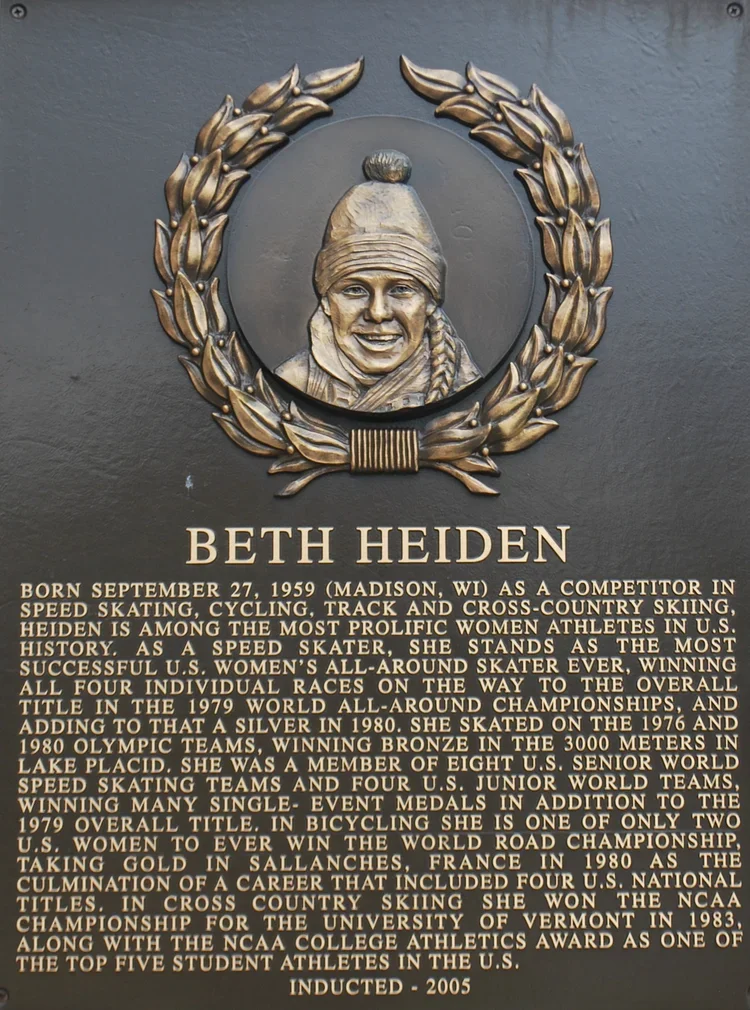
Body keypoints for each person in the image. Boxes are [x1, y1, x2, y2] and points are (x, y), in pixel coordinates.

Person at [275, 149, 481, 412]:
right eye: (355, 290)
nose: (378, 313)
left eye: (401, 290)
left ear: (430, 301)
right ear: (326, 301)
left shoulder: (468, 390)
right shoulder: (291, 382)